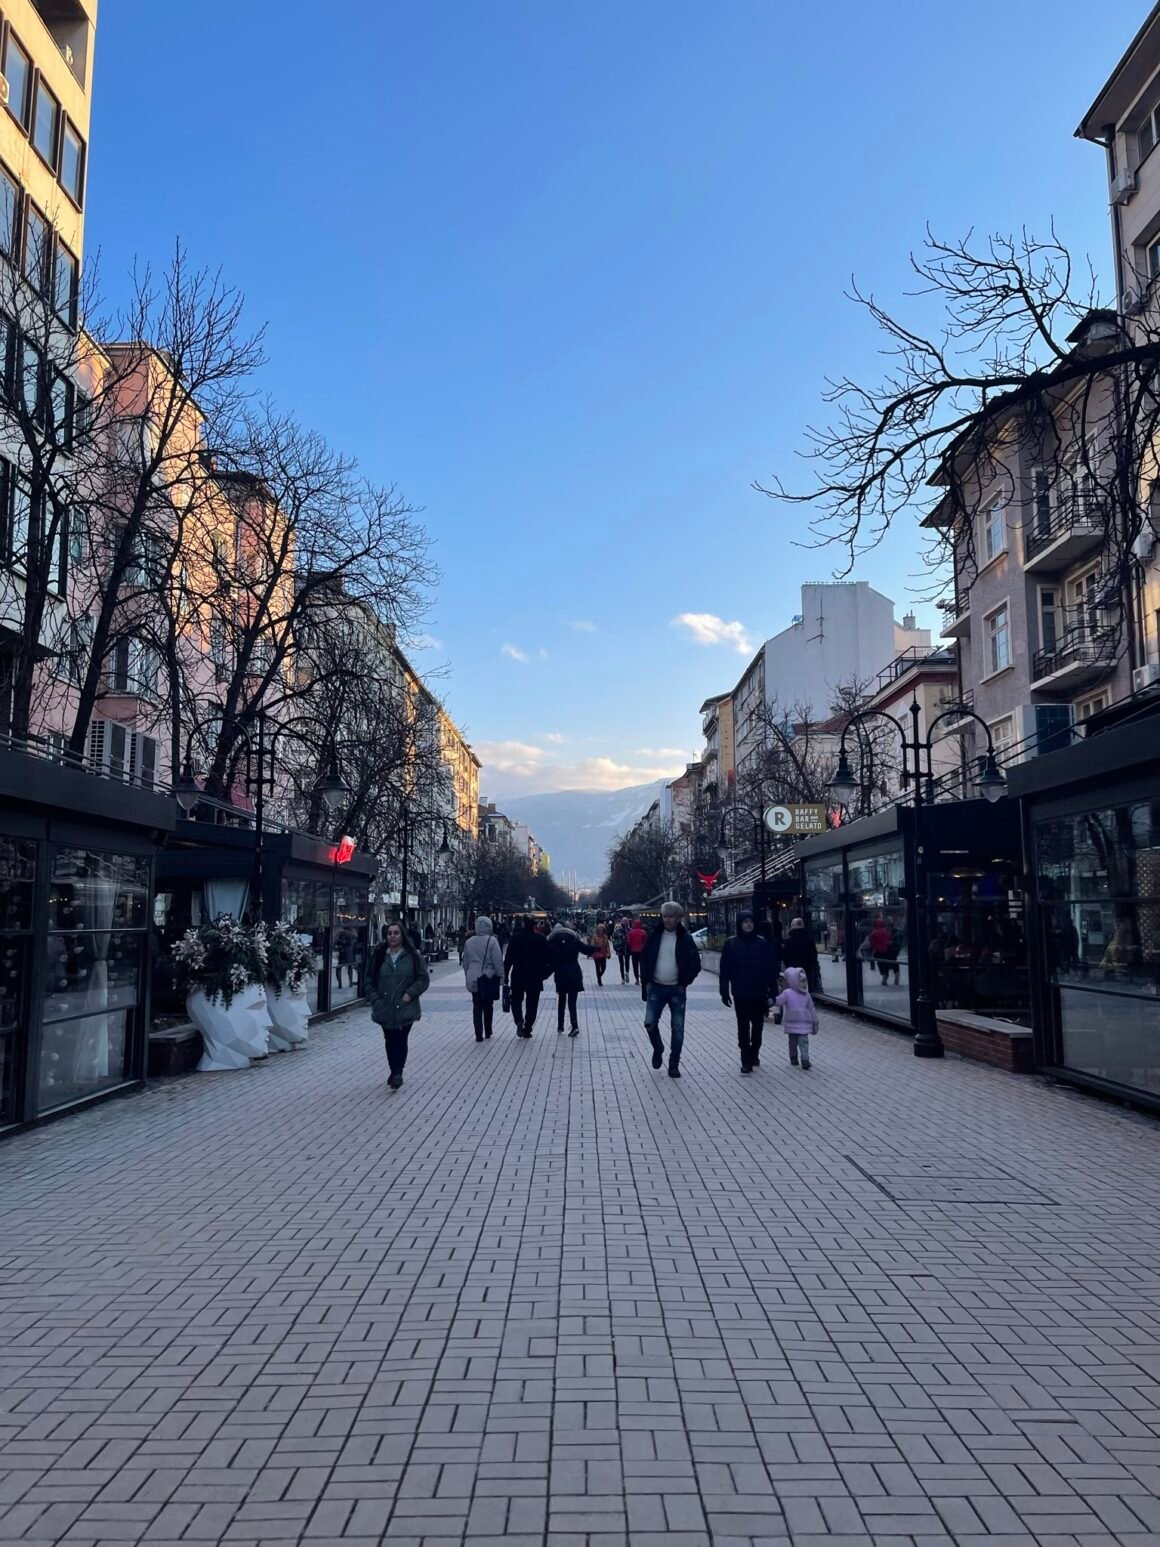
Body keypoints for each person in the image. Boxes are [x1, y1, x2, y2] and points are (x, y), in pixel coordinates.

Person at [640, 902, 702, 1078]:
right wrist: (647, 982)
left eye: (671, 916)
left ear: (678, 918)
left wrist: (685, 982)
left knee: (678, 1028)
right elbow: (644, 959)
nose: (667, 920)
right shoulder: (654, 936)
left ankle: (674, 1063)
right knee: (650, 1022)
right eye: (665, 916)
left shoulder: (685, 939)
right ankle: (658, 1047)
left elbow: (695, 964)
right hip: (656, 987)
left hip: (676, 988)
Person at [367, 921, 431, 1091]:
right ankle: (393, 1069)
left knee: (401, 1039)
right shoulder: (380, 955)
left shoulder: (412, 955)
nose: (393, 936)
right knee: (390, 1039)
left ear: (402, 935)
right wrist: (376, 1000)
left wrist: (410, 993)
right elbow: (368, 980)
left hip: (405, 1006)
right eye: (390, 933)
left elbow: (423, 979)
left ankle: (397, 1072)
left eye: (396, 933)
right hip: (385, 1006)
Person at [719, 910, 779, 1074]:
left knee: (758, 1027)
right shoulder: (731, 944)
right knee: (743, 1026)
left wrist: (773, 991)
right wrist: (724, 990)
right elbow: (725, 970)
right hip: (741, 992)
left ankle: (755, 1052)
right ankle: (746, 1058)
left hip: (759, 992)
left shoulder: (762, 944)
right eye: (745, 921)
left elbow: (770, 969)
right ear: (739, 924)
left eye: (751, 921)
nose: (748, 924)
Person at [547, 920, 596, 1035]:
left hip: (561, 974)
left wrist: (543, 974)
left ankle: (560, 1025)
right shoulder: (574, 941)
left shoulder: (553, 943)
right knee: (572, 1001)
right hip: (574, 973)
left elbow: (548, 960)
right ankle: (575, 1025)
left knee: (562, 999)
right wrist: (597, 948)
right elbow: (586, 949)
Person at [504, 915, 551, 1037]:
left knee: (516, 1000)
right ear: (534, 926)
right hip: (535, 976)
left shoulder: (515, 939)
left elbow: (508, 959)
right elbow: (549, 958)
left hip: (518, 975)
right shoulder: (541, 940)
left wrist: (505, 976)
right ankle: (528, 1027)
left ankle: (519, 1020)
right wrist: (545, 973)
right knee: (532, 1002)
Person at [462, 915, 504, 1041]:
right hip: (488, 976)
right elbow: (497, 960)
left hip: (473, 976)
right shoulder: (492, 941)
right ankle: (488, 1030)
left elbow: (465, 962)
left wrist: (468, 974)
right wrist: (501, 975)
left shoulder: (469, 942)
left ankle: (478, 1033)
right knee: (488, 1004)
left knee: (476, 1005)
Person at [774, 966, 818, 1069]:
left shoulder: (788, 993)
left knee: (795, 1042)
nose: (804, 984)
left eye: (804, 981)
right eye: (802, 981)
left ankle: (797, 1058)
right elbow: (812, 1009)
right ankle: (802, 1058)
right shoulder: (804, 995)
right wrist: (815, 1021)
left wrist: (772, 1000)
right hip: (803, 1023)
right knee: (802, 1042)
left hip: (792, 1024)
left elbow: (779, 1001)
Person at [782, 917, 820, 992]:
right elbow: (814, 955)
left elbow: (785, 956)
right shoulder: (809, 940)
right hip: (806, 969)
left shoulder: (788, 941)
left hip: (792, 970)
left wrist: (788, 966)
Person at [627, 917, 648, 983]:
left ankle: (637, 979)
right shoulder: (644, 932)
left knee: (635, 965)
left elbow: (628, 942)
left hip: (633, 951)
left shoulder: (631, 932)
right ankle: (642, 978)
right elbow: (645, 942)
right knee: (642, 966)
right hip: (642, 951)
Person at [611, 917, 631, 984]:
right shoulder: (630, 930)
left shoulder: (618, 930)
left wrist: (615, 947)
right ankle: (627, 973)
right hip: (627, 949)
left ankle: (623, 978)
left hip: (620, 949)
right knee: (627, 962)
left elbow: (613, 938)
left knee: (621, 964)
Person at [592, 921, 612, 986]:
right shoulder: (594, 936)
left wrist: (609, 954)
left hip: (603, 954)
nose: (601, 931)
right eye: (600, 929)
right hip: (597, 954)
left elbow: (607, 946)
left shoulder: (605, 937)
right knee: (597, 968)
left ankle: (599, 976)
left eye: (602, 929)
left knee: (604, 967)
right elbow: (592, 945)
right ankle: (599, 980)